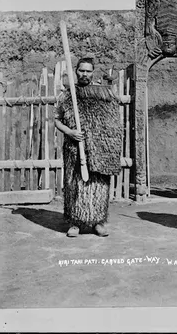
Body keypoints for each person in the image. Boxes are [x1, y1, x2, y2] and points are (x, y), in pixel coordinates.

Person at [55, 57, 122, 238]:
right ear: (76, 71)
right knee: (75, 184)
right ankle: (75, 223)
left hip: (99, 147)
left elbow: (113, 118)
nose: (84, 74)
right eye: (81, 70)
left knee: (98, 185)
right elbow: (57, 120)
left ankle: (98, 222)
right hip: (74, 148)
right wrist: (70, 132)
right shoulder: (67, 95)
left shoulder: (102, 93)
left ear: (93, 72)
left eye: (88, 71)